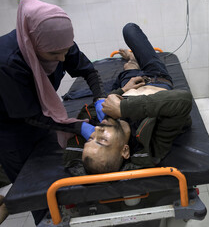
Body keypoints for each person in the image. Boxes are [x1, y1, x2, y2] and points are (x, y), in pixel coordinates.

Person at [0, 0, 106, 223]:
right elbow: (29, 114)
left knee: (53, 177)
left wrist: (101, 98)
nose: (61, 59)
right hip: (10, 128)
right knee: (35, 193)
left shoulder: (60, 43)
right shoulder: (8, 62)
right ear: (33, 45)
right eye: (53, 55)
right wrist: (78, 126)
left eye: (65, 52)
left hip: (41, 117)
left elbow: (89, 71)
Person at [64, 23, 193, 175]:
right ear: (125, 151)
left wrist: (123, 90)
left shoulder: (107, 122)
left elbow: (74, 156)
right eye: (102, 140)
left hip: (129, 83)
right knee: (130, 32)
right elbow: (183, 100)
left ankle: (131, 61)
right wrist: (122, 108)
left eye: (91, 138)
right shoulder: (150, 143)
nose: (97, 130)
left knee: (129, 48)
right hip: (158, 77)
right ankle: (132, 59)